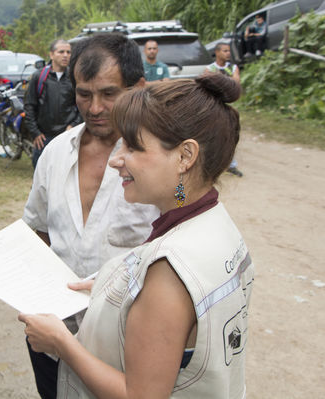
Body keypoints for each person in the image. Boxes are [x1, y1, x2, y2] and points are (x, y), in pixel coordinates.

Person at [19, 73, 254, 398]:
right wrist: (110, 284)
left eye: (132, 146)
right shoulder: (213, 221)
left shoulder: (168, 270)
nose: (116, 160)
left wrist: (61, 343)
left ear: (185, 156)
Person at [22, 33, 159, 399]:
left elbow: (183, 222)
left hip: (126, 345)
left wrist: (181, 183)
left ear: (138, 87)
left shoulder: (164, 160)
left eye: (109, 93)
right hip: (55, 337)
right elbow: (36, 228)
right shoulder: (54, 154)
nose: (95, 107)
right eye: (84, 94)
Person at [24, 39, 81, 168]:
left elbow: (82, 105)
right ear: (51, 55)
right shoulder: (39, 77)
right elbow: (29, 106)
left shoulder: (75, 78)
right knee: (42, 177)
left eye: (68, 52)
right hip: (44, 138)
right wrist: (35, 132)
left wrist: (73, 125)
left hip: (67, 137)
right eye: (61, 52)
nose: (65, 55)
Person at [206, 43, 243, 177]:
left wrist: (218, 80)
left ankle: (231, 164)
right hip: (214, 107)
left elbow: (236, 84)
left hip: (228, 106)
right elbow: (208, 86)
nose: (228, 53)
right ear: (217, 52)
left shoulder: (233, 67)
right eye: (225, 51)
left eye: (229, 51)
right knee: (213, 135)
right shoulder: (209, 68)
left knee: (231, 135)